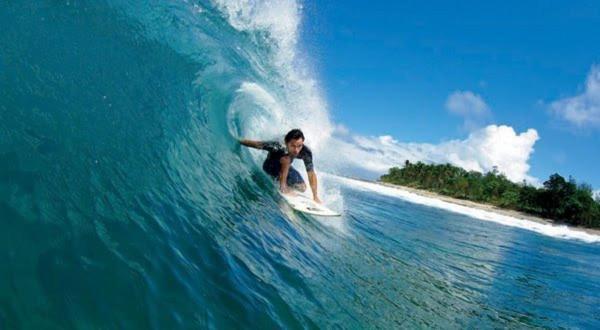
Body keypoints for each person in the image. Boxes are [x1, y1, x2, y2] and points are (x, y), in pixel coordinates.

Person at [239, 129, 321, 203]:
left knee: (302, 187)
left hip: (285, 167)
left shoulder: (306, 153)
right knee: (286, 158)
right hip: (270, 166)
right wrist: (239, 140)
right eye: (293, 146)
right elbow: (257, 144)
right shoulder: (277, 146)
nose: (296, 150)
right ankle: (283, 188)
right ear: (286, 143)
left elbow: (311, 174)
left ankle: (287, 187)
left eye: (299, 146)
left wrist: (315, 196)